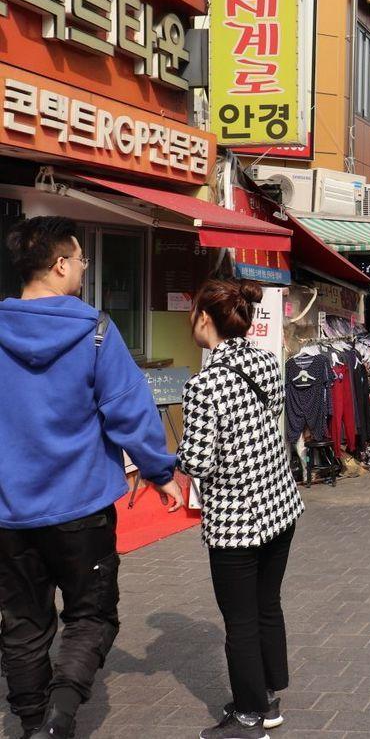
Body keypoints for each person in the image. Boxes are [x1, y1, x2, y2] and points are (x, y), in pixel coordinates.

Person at [0, 217, 183, 739]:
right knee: (92, 616)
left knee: (24, 623)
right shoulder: (95, 331)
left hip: (9, 513)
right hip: (81, 508)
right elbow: (129, 410)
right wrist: (159, 471)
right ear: (59, 265)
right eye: (81, 259)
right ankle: (58, 718)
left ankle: (31, 722)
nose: (84, 266)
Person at [178, 279, 305, 739]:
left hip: (237, 520)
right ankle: (269, 698)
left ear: (205, 318)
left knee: (240, 620)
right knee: (267, 605)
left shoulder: (206, 384)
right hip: (280, 505)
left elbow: (198, 460)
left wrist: (171, 456)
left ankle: (250, 715)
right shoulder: (267, 361)